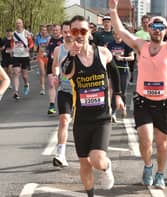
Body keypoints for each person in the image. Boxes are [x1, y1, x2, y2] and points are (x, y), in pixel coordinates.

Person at [109, 0, 167, 189]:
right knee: (146, 139)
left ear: (165, 30)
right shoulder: (141, 45)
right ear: (148, 28)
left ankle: (160, 173)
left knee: (162, 143)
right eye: (153, 26)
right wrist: (113, 10)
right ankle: (148, 166)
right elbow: (121, 32)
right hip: (143, 102)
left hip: (164, 103)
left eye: (161, 26)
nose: (157, 29)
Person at [61, 15, 124, 197]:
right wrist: (71, 55)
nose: (79, 35)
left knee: (97, 159)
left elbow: (114, 72)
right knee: (84, 163)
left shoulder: (103, 53)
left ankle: (106, 167)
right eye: (75, 31)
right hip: (81, 119)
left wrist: (118, 95)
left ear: (89, 31)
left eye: (82, 30)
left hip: (102, 118)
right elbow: (65, 73)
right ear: (71, 34)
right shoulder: (70, 57)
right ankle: (90, 194)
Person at [52, 21, 72, 167]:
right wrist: (55, 75)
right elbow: (55, 66)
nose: (67, 35)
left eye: (70, 31)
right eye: (65, 32)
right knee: (64, 120)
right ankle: (60, 154)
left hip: (80, 92)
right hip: (64, 90)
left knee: (81, 124)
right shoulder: (58, 50)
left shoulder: (80, 48)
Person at [107, 30, 134, 122]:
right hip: (114, 71)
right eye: (115, 34)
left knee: (123, 92)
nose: (116, 35)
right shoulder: (110, 44)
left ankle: (123, 108)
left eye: (118, 34)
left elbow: (132, 57)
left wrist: (122, 58)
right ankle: (113, 113)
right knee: (115, 92)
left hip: (123, 71)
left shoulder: (126, 44)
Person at [11, 18, 34, 100]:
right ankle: (16, 92)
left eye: (19, 23)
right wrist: (12, 49)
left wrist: (29, 48)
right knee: (16, 73)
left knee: (24, 75)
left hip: (25, 56)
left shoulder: (26, 33)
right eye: (17, 23)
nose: (18, 25)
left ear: (22, 24)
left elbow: (31, 43)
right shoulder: (13, 34)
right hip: (16, 56)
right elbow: (12, 43)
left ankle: (26, 83)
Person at [46, 24, 63, 115]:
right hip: (51, 64)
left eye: (57, 30)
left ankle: (67, 104)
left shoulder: (63, 40)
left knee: (63, 85)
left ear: (60, 30)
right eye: (54, 30)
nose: (55, 32)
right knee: (52, 84)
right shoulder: (50, 40)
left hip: (62, 65)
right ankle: (52, 106)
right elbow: (47, 51)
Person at [34, 25, 51, 95]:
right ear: (40, 31)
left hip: (48, 56)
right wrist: (34, 49)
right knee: (42, 73)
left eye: (45, 30)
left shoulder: (49, 38)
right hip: (40, 56)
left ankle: (51, 85)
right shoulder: (38, 38)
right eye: (42, 30)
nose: (43, 31)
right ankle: (42, 89)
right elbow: (35, 45)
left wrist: (47, 44)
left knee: (49, 73)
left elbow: (51, 46)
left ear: (47, 31)